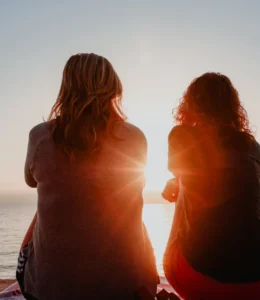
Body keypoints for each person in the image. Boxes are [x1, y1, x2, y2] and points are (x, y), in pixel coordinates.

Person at [16, 53, 159, 300]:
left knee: (44, 210)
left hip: (48, 290)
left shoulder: (40, 136)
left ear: (66, 88)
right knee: (130, 211)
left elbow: (31, 181)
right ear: (114, 87)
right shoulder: (135, 137)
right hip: (126, 289)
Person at [162, 72, 260, 300]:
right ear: (232, 106)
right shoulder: (252, 145)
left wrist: (177, 182)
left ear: (189, 104)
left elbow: (187, 174)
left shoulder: (181, 135)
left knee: (184, 186)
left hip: (201, 281)